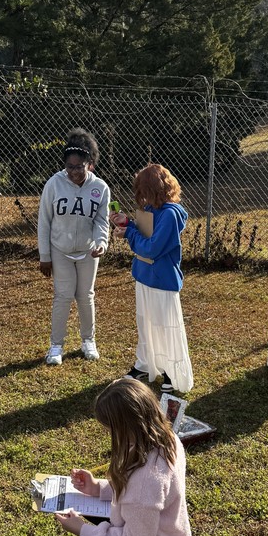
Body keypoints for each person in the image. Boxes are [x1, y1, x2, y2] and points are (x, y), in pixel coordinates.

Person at [42, 377, 192, 536]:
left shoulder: (147, 481)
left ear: (127, 426)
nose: (110, 434)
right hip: (159, 535)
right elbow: (134, 492)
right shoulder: (165, 439)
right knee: (84, 503)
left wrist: (83, 531)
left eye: (111, 428)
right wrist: (96, 487)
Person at [109, 163, 193, 394]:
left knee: (165, 326)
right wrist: (127, 223)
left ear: (155, 189)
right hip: (144, 276)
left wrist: (130, 233)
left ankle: (170, 371)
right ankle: (146, 363)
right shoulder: (154, 209)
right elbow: (145, 231)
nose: (141, 196)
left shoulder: (170, 215)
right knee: (145, 323)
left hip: (163, 281)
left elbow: (153, 248)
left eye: (144, 190)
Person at [38, 129, 110, 366]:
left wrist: (101, 243)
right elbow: (45, 221)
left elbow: (101, 220)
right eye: (69, 167)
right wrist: (45, 256)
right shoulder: (54, 184)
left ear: (90, 164)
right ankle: (56, 346)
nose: (74, 172)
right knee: (62, 296)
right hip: (60, 250)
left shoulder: (100, 188)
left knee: (86, 296)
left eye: (79, 167)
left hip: (89, 251)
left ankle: (88, 341)